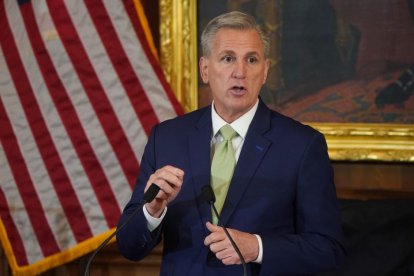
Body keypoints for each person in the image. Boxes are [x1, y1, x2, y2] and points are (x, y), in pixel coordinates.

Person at [116, 11, 344, 275]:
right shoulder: (167, 138)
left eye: (252, 60)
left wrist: (257, 247)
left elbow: (328, 250)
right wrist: (152, 210)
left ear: (265, 71)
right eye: (227, 59)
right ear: (205, 69)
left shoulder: (302, 146)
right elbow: (129, 247)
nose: (240, 72)